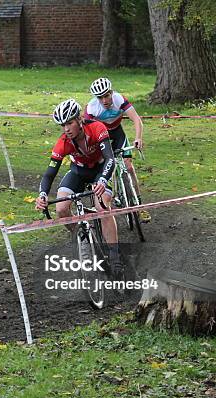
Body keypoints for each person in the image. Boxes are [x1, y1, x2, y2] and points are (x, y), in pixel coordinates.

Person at [35, 98, 124, 275]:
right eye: (62, 125)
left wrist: (103, 180)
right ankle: (84, 237)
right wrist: (43, 194)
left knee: (102, 208)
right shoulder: (63, 142)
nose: (66, 129)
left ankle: (115, 256)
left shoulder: (97, 128)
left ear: (79, 119)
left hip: (101, 169)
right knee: (61, 209)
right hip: (79, 172)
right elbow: (49, 173)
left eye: (69, 123)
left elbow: (110, 158)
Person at [85, 77, 150, 222]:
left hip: (118, 133)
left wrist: (138, 138)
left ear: (111, 93)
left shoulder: (119, 99)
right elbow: (87, 134)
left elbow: (136, 119)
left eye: (106, 96)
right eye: (100, 98)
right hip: (102, 138)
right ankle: (111, 195)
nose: (104, 101)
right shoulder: (91, 108)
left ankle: (139, 205)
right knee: (106, 166)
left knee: (129, 166)